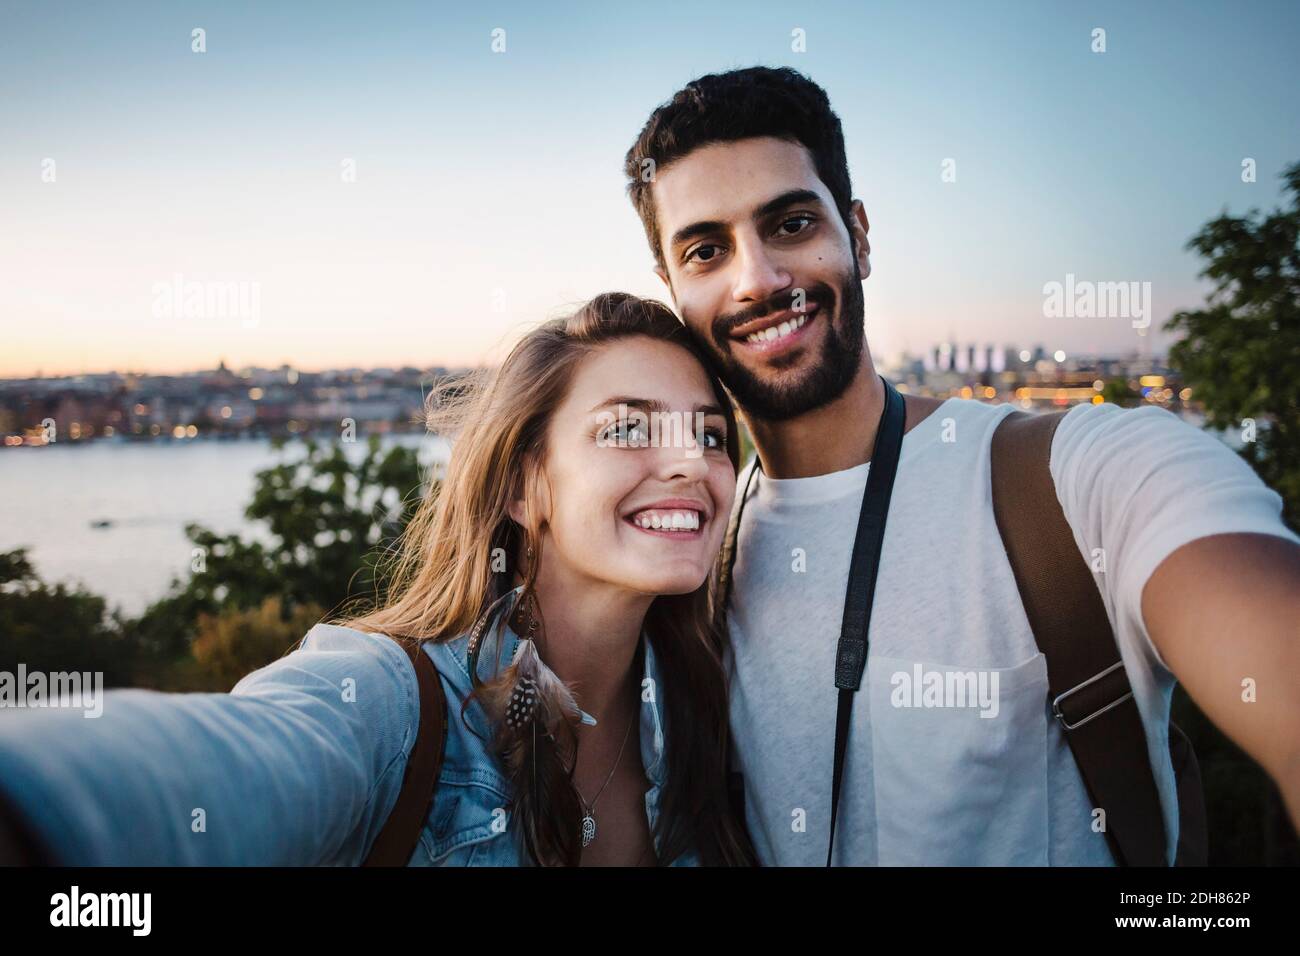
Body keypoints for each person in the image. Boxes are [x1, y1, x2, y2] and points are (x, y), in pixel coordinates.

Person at [621, 66, 1300, 865]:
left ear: (859, 235)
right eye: (707, 250)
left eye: (793, 224)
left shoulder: (1069, 478)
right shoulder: (692, 547)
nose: (758, 280)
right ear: (672, 288)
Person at [0, 292, 757, 867]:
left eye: (711, 434)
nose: (691, 461)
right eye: (627, 428)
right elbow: (224, 764)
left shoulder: (717, 710)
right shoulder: (386, 704)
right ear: (522, 487)